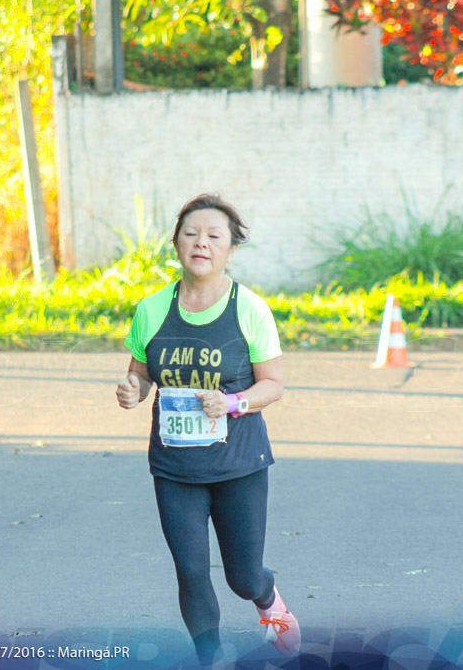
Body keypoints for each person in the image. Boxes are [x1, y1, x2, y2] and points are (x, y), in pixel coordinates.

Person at [115, 194, 301, 665]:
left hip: (238, 464)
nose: (201, 243)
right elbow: (141, 373)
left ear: (230, 249)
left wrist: (234, 402)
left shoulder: (250, 309)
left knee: (241, 577)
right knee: (192, 572)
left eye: (214, 236)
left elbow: (273, 385)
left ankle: (267, 597)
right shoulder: (152, 309)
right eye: (191, 234)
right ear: (176, 243)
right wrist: (132, 390)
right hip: (175, 466)